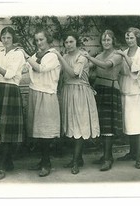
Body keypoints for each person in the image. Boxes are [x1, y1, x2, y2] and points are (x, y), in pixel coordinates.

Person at [52, 32, 100, 175]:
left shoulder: (82, 57)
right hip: (67, 91)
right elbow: (60, 74)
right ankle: (78, 159)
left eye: (71, 42)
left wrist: (59, 56)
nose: (68, 45)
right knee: (71, 125)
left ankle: (75, 161)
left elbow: (74, 73)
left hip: (80, 92)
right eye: (66, 42)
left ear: (76, 42)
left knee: (79, 125)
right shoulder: (65, 57)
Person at [0, 27, 26, 180]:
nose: (6, 40)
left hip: (11, 90)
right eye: (3, 37)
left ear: (13, 38)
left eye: (8, 37)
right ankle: (7, 161)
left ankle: (2, 165)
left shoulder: (18, 54)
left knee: (7, 129)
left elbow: (9, 74)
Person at [21, 28, 61, 177]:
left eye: (41, 39)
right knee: (37, 131)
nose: (39, 43)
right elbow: (26, 68)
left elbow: (40, 68)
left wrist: (25, 55)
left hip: (46, 94)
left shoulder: (52, 55)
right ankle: (42, 160)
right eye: (37, 40)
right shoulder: (35, 55)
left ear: (47, 39)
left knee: (45, 132)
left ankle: (47, 163)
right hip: (34, 92)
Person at [83, 30, 124, 171]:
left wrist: (89, 57)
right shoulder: (99, 55)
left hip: (111, 90)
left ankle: (107, 159)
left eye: (108, 40)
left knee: (109, 126)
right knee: (100, 125)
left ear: (113, 41)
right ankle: (107, 155)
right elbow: (88, 68)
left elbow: (106, 65)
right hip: (98, 90)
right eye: (104, 40)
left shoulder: (117, 55)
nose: (106, 42)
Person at [114, 27, 140, 169]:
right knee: (129, 123)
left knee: (139, 123)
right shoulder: (124, 53)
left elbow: (135, 68)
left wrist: (124, 57)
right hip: (126, 89)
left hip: (138, 91)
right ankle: (131, 152)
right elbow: (120, 70)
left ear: (137, 39)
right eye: (127, 38)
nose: (129, 40)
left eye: (131, 38)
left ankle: (138, 157)